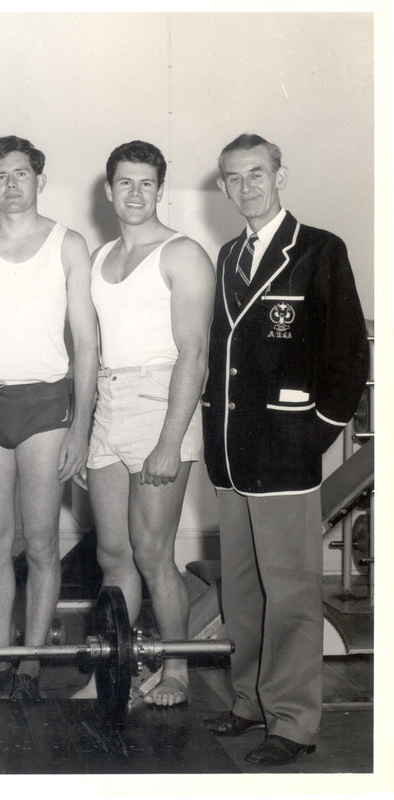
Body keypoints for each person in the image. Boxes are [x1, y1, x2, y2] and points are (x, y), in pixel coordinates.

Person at [201, 134, 368, 765]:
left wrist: (314, 432)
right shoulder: (224, 256)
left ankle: (293, 722)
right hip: (230, 456)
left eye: (257, 175)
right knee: (242, 590)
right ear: (222, 186)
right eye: (233, 178)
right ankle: (249, 703)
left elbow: (350, 356)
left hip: (287, 453)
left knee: (292, 592)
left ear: (280, 176)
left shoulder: (320, 250)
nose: (246, 187)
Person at [0, 136, 97, 700]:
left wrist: (81, 426)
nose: (11, 184)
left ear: (39, 181)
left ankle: (30, 662)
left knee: (39, 543)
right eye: (1, 176)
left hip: (44, 407)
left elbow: (86, 341)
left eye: (22, 174)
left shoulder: (68, 245)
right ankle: (0, 657)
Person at [76, 140, 214, 707]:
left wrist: (169, 441)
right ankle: (115, 669)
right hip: (110, 403)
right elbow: (90, 350)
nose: (135, 193)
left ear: (161, 190)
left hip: (162, 403)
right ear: (108, 190)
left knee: (153, 551)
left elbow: (195, 355)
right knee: (113, 554)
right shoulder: (100, 258)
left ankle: (177, 671)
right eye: (124, 183)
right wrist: (85, 430)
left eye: (146, 184)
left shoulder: (182, 255)